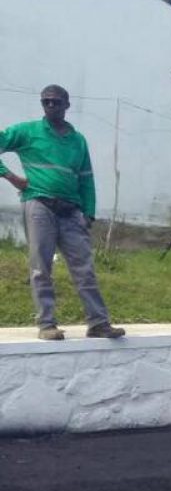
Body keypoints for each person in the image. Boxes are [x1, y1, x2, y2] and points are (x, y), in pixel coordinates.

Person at [0, 85, 124, 340]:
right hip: (39, 205)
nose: (51, 106)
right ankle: (46, 324)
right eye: (46, 102)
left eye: (56, 102)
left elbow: (86, 178)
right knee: (41, 268)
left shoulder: (78, 141)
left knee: (84, 269)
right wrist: (11, 177)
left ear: (67, 105)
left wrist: (88, 213)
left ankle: (98, 323)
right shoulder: (28, 131)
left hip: (71, 211)